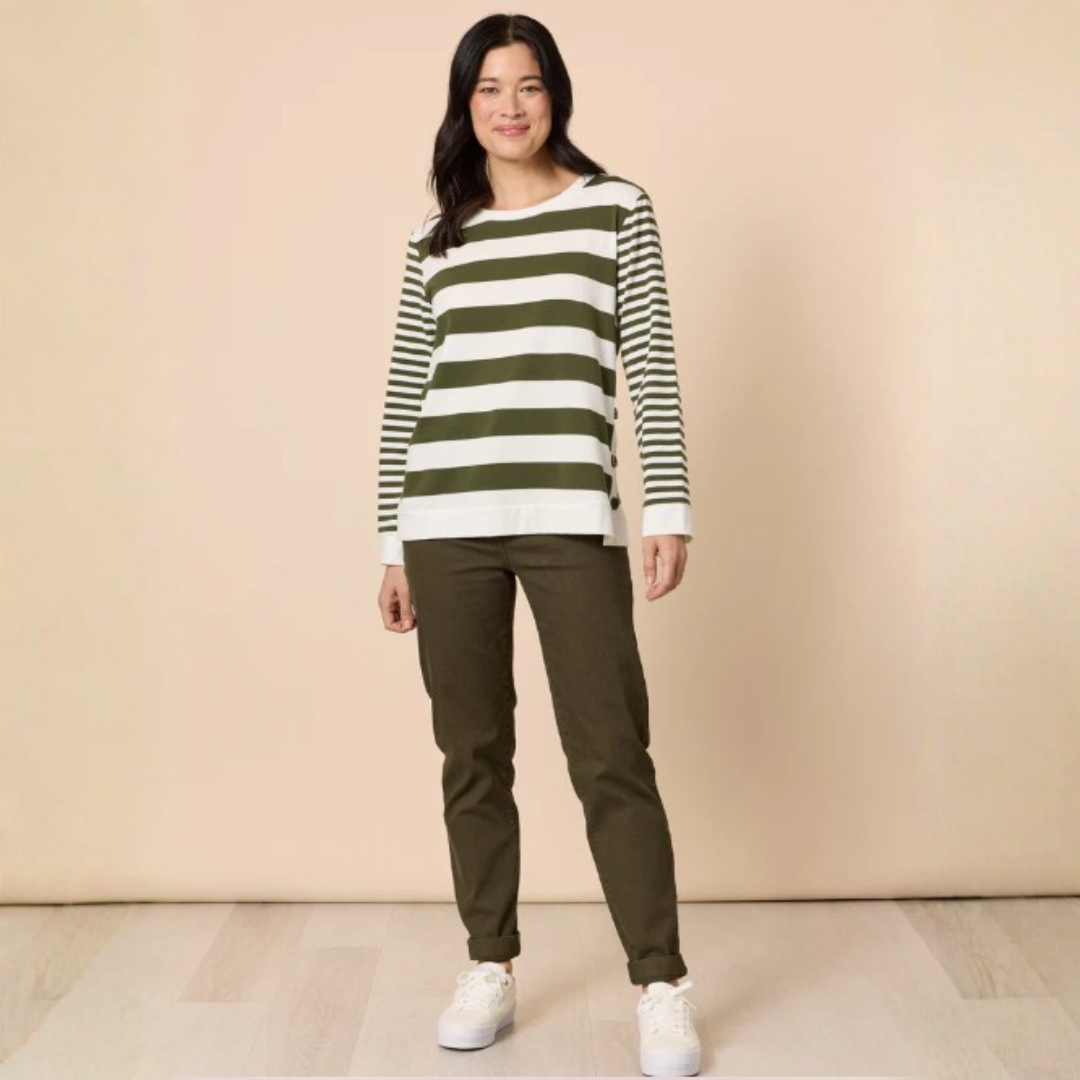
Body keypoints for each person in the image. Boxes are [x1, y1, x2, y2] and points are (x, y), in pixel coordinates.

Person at [375, 13, 701, 1077]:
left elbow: (649, 362)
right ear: (464, 106)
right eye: (488, 90)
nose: (508, 107)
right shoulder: (436, 240)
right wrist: (391, 540)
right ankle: (489, 963)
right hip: (444, 524)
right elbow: (407, 393)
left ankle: (660, 982)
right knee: (472, 755)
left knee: (611, 752)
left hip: (569, 517)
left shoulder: (615, 210)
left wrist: (667, 508)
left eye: (526, 86)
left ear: (554, 94)